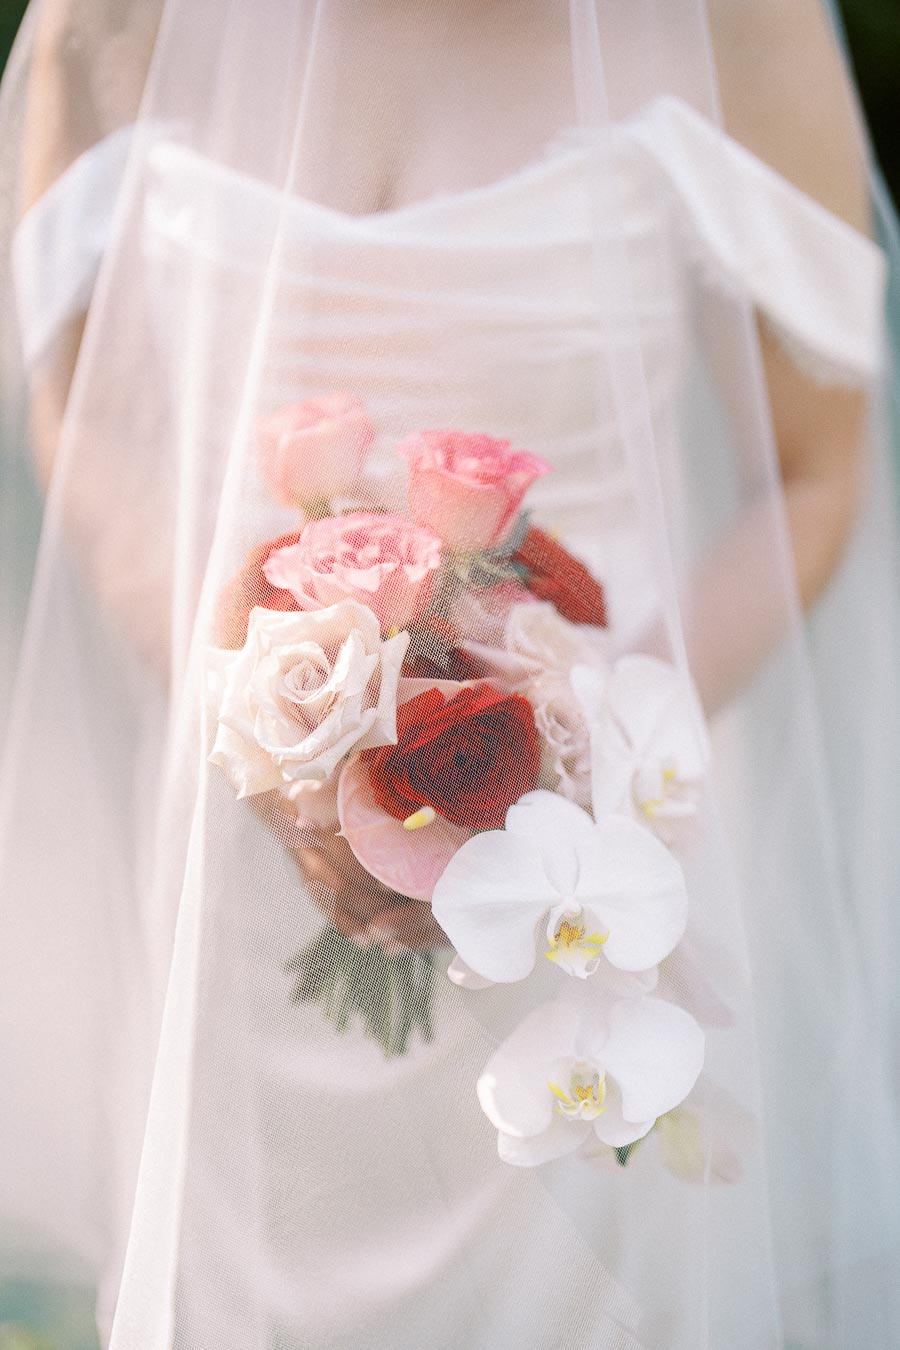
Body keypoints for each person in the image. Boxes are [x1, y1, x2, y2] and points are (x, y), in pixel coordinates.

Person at [1, 2, 899, 1346]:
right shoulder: (114, 17)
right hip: (245, 875)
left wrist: (558, 778)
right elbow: (71, 397)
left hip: (589, 912)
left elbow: (815, 472)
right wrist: (282, 739)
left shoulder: (736, 22)